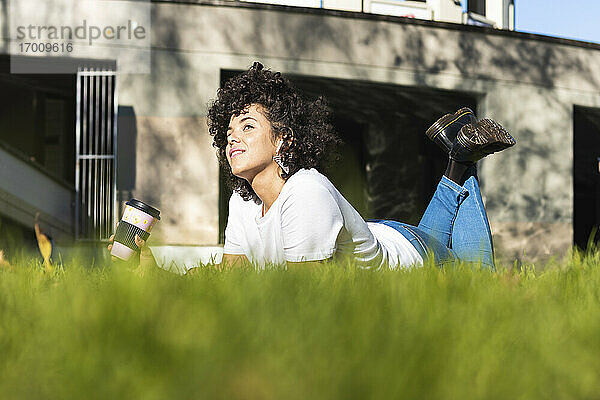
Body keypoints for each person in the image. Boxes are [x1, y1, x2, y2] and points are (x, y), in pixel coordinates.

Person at [110, 62, 515, 271]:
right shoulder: (243, 201)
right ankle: (458, 160)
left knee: (479, 287)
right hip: (384, 234)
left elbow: (309, 302)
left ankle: (461, 160)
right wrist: (156, 275)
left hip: (411, 256)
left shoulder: (305, 192)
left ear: (283, 139)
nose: (232, 138)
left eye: (248, 127)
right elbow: (231, 279)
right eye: (229, 130)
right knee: (436, 222)